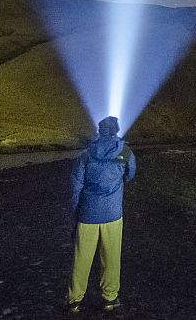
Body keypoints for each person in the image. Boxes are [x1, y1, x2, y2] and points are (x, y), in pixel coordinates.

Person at [66, 116, 136, 314]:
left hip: (87, 214)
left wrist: (75, 212)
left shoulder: (86, 155)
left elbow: (75, 185)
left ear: (99, 130)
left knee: (81, 259)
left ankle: (74, 301)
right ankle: (109, 299)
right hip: (113, 214)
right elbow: (130, 174)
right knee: (112, 258)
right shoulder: (125, 152)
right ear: (116, 130)